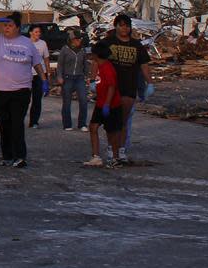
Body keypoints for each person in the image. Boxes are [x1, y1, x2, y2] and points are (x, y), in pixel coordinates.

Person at [0, 12, 49, 167]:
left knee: (17, 123)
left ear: (18, 28)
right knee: (4, 124)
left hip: (21, 90)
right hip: (0, 90)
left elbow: (37, 63)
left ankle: (20, 156)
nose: (6, 28)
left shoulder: (27, 43)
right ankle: (7, 156)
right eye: (5, 25)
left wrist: (44, 80)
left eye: (10, 25)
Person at [91, 13, 153, 162]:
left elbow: (144, 65)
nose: (124, 28)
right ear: (116, 26)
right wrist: (93, 80)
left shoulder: (137, 45)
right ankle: (112, 148)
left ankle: (121, 148)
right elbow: (96, 61)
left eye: (127, 25)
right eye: (121, 25)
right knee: (110, 122)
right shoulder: (107, 42)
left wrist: (149, 82)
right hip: (109, 87)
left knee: (122, 121)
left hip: (128, 87)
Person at [85, 45, 125, 166]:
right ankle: (96, 156)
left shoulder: (107, 68)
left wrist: (107, 104)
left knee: (112, 132)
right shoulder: (100, 67)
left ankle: (115, 158)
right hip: (101, 103)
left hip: (111, 105)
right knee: (93, 127)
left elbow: (112, 87)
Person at [56, 30, 91, 131]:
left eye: (80, 39)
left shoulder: (82, 50)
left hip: (79, 77)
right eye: (77, 39)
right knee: (67, 102)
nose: (79, 40)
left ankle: (82, 124)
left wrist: (87, 76)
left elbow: (85, 64)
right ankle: (67, 124)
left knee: (84, 100)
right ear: (72, 40)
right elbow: (60, 65)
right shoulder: (65, 50)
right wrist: (59, 76)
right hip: (68, 78)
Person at [27, 25, 50, 128]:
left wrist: (48, 73)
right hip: (27, 74)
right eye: (36, 32)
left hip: (40, 74)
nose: (38, 34)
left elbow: (46, 59)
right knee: (25, 99)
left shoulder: (43, 43)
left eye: (39, 32)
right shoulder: (25, 43)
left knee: (37, 99)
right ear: (30, 33)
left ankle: (34, 121)